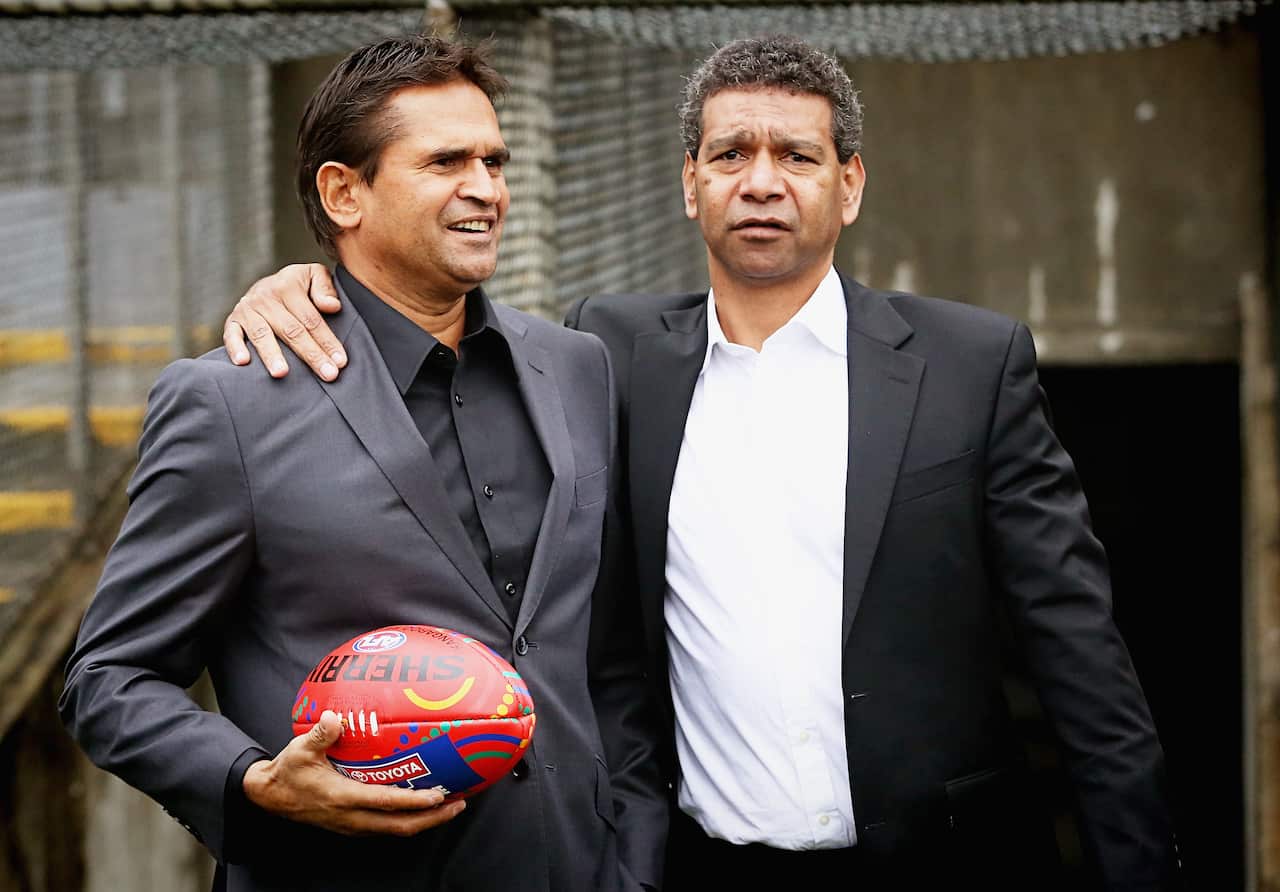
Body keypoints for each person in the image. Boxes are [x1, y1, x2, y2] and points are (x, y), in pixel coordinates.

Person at [221, 35, 1183, 890]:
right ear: (690, 184)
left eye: (797, 156)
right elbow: (423, 307)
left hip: (948, 859)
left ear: (849, 184)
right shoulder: (606, 355)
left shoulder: (973, 364)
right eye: (730, 155)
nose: (761, 181)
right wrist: (305, 285)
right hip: (697, 864)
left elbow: (1081, 656)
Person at [59, 34, 667, 892]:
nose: (486, 190)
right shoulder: (230, 403)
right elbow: (108, 678)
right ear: (344, 192)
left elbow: (605, 658)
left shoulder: (576, 367)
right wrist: (255, 783)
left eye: (495, 160)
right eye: (446, 161)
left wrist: (633, 855)